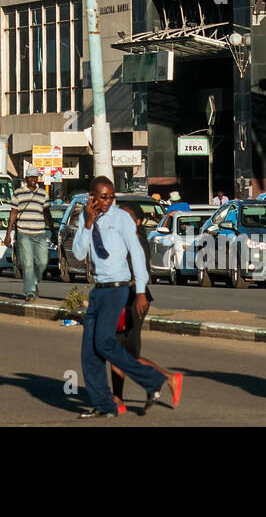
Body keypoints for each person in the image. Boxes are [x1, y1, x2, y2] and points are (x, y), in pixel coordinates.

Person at [71, 176, 176, 418]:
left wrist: (140, 292)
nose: (107, 201)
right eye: (103, 196)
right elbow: (78, 254)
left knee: (104, 342)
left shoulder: (121, 219)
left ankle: (154, 378)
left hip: (118, 289)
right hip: (98, 290)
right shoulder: (87, 219)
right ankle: (104, 404)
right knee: (89, 352)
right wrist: (88, 222)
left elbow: (138, 254)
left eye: (111, 196)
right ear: (92, 197)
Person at [110, 203, 179, 414]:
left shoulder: (136, 241)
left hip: (134, 299)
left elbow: (141, 274)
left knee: (126, 354)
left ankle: (167, 378)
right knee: (116, 351)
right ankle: (118, 399)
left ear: (138, 222)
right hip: (120, 298)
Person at [5, 172, 53, 302]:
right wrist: (8, 234)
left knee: (43, 262)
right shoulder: (18, 193)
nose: (33, 179)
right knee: (27, 264)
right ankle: (30, 292)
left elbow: (47, 214)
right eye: (30, 177)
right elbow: (13, 214)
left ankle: (34, 281)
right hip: (24, 233)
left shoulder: (43, 194)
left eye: (35, 177)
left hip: (40, 233)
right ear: (26, 178)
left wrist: (53, 232)